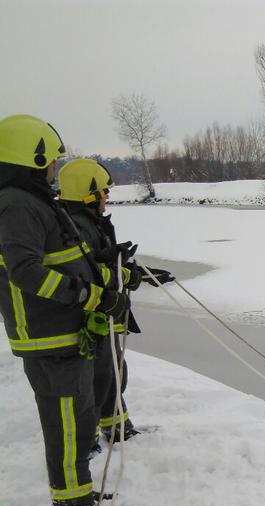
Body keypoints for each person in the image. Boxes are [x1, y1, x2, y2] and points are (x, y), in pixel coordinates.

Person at [0, 115, 129, 506]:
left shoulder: (31, 201)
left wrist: (108, 282)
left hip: (64, 332)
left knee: (80, 415)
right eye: (50, 162)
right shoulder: (16, 204)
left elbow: (68, 260)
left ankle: (78, 490)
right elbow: (25, 270)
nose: (55, 169)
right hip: (48, 336)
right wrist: (89, 295)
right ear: (32, 158)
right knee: (68, 424)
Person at [57, 158, 173, 444]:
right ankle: (91, 439)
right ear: (90, 193)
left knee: (111, 373)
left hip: (102, 314)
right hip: (90, 316)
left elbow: (97, 263)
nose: (108, 197)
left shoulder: (86, 223)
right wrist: (123, 274)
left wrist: (129, 270)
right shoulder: (77, 227)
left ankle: (118, 427)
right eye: (104, 192)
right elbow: (88, 272)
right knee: (99, 377)